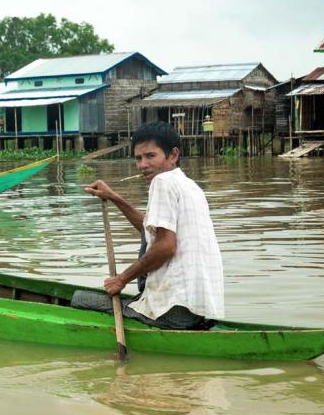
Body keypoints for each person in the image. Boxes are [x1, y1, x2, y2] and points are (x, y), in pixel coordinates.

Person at [77, 121, 223, 330]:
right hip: (199, 311)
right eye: (138, 158)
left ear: (173, 155)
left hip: (173, 311)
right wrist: (113, 197)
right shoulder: (190, 186)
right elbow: (150, 232)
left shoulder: (162, 182)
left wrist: (121, 279)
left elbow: (165, 246)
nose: (142, 164)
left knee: (80, 300)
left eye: (150, 156)